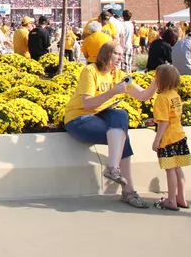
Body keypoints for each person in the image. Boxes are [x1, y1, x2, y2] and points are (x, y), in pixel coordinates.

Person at [63, 41, 158, 208]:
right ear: (106, 54)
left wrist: (158, 81)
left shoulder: (119, 75)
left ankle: (113, 169)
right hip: (79, 118)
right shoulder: (90, 71)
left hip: (101, 116)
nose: (120, 58)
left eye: (122, 55)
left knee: (120, 114)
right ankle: (128, 191)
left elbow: (143, 95)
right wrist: (113, 91)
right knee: (122, 137)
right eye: (117, 54)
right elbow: (88, 105)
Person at [151, 64, 191, 211]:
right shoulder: (175, 95)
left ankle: (171, 200)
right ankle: (182, 198)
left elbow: (164, 121)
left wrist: (157, 140)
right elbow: (173, 116)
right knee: (178, 168)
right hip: (179, 135)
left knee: (170, 170)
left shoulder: (161, 98)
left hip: (168, 138)